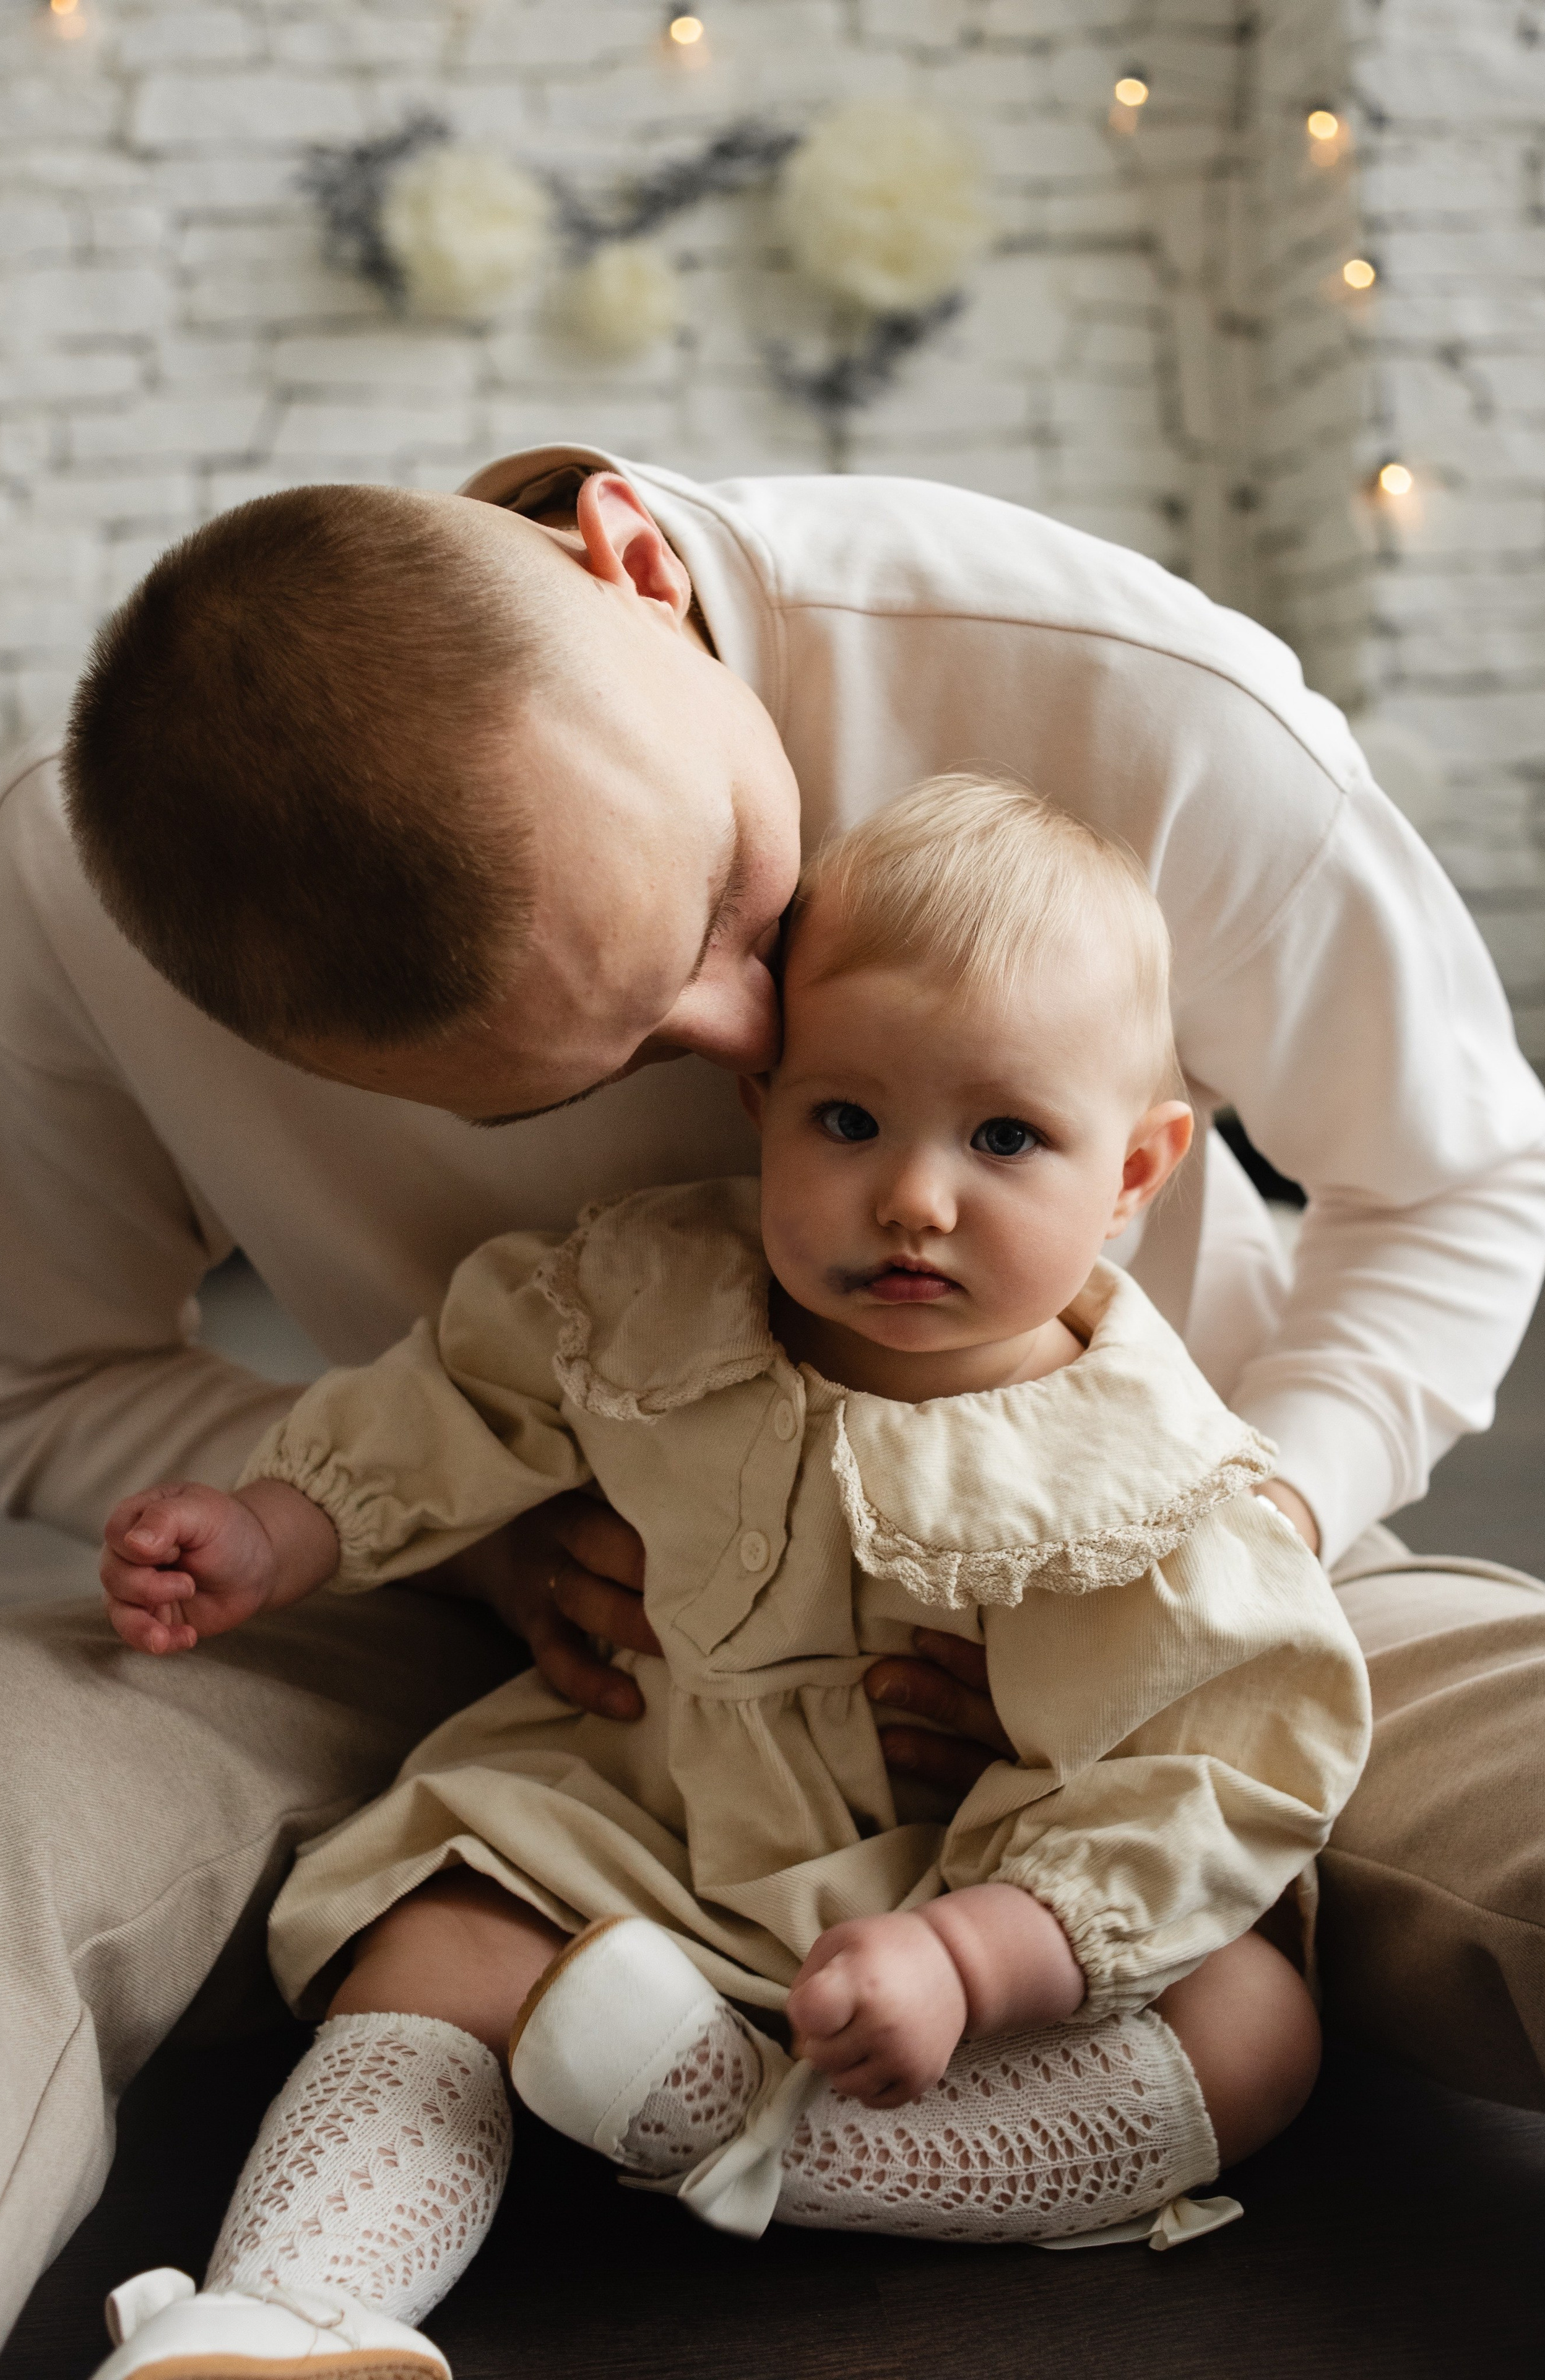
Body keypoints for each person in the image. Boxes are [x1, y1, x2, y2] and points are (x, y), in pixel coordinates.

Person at [0, 446, 1545, 2361]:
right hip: (511, 1620)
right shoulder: (79, 904)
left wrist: (1226, 1557)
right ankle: (272, 2321)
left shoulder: (1115, 685)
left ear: (633, 566)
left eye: (736, 901)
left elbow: (1458, 1175)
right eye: (587, 1075)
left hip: (1193, 1563)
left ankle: (821, 2136)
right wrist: (451, 1543)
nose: (755, 1049)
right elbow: (47, 1375)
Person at [92, 784, 1370, 2376]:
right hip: (658, 1814)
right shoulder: (648, 1292)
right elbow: (454, 1402)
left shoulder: (1146, 1466)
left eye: (1004, 1137)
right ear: (758, 1104)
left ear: (1133, 1168)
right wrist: (274, 1531)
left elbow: (1214, 1777)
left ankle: (783, 2151)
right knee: (439, 1932)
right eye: (847, 1121)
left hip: (975, 1878)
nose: (913, 1195)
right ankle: (278, 2309)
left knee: (1256, 2029)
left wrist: (981, 1952)